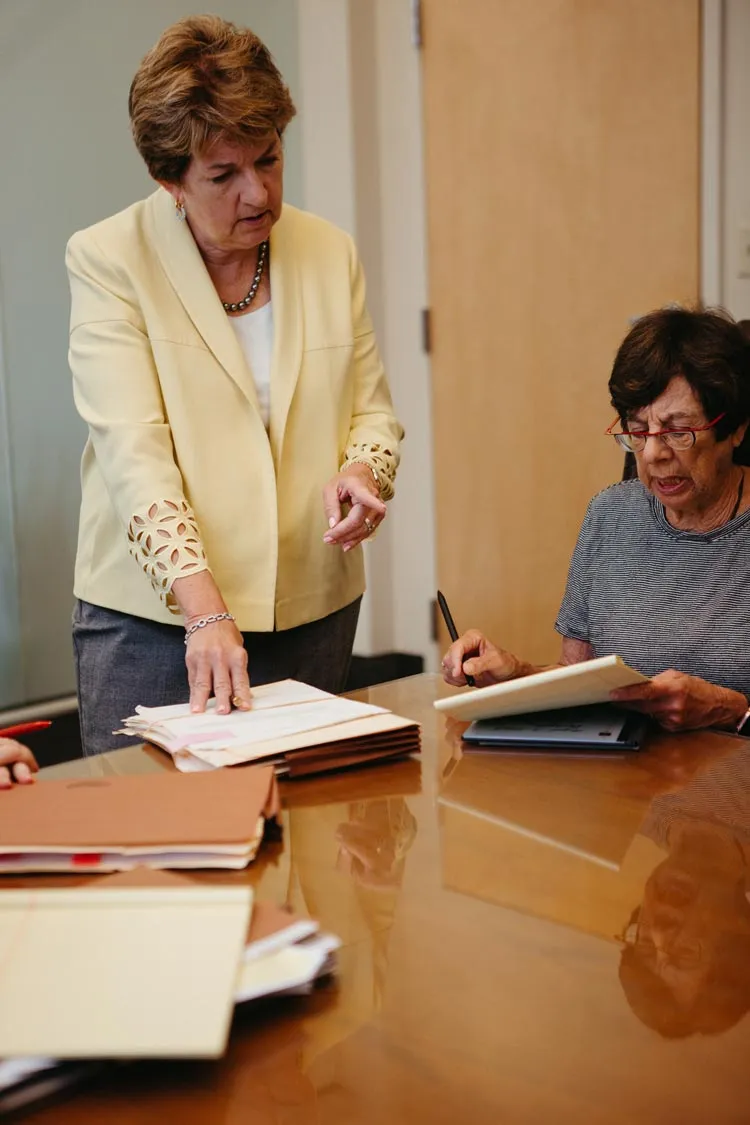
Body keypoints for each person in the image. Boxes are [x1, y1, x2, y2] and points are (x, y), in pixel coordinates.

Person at [66, 15, 403, 756]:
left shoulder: (327, 251)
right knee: (156, 847)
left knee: (308, 848)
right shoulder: (108, 260)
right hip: (157, 623)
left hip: (313, 604)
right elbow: (133, 454)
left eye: (270, 159)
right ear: (170, 179)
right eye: (223, 175)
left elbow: (373, 412)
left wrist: (361, 470)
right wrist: (203, 611)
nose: (258, 193)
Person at [443, 306, 750, 733]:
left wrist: (736, 711)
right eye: (637, 429)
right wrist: (514, 674)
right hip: (621, 789)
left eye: (678, 431)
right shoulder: (610, 515)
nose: (653, 454)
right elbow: (579, 681)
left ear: (736, 429)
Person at [619, 744, 750, 1037]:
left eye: (645, 946)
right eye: (686, 953)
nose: (661, 932)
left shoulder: (628, 803)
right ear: (738, 930)